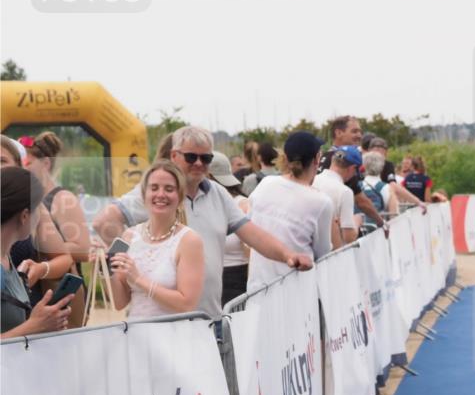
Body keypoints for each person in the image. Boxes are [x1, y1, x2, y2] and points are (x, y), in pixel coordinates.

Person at [92, 125, 313, 318]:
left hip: (207, 319)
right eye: (191, 157)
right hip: (160, 320)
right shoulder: (155, 193)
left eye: (206, 158)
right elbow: (104, 222)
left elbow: (251, 233)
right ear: (174, 156)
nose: (198, 163)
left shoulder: (217, 193)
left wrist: (287, 255)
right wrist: (129, 258)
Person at [108, 163, 205, 319]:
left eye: (169, 189)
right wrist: (104, 270)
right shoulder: (129, 236)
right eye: (154, 188)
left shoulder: (189, 240)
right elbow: (120, 303)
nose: (160, 194)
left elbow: (187, 305)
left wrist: (139, 280)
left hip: (171, 337)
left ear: (180, 197)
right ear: (144, 195)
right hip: (136, 335)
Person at [20, 132, 92, 326]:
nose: (22, 168)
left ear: (45, 164)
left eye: (28, 163)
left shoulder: (62, 198)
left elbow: (83, 249)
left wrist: (43, 249)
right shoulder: (23, 199)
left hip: (60, 290)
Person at [247, 131, 333, 289]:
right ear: (316, 159)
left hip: (257, 290)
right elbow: (323, 253)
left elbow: (248, 229)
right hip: (297, 294)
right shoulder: (321, 202)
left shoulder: (266, 184)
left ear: (285, 158)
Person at [1, 167, 74, 337]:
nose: (40, 217)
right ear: (25, 216)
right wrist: (33, 326)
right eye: (38, 210)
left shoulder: (7, 258)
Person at [209, 154, 251, 304]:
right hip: (206, 282)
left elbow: (251, 249)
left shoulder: (242, 205)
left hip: (237, 281)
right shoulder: (196, 206)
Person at [314, 148, 361, 246]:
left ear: (332, 160)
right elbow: (349, 237)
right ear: (352, 168)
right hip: (331, 253)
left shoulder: (312, 180)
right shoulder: (345, 192)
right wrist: (356, 222)